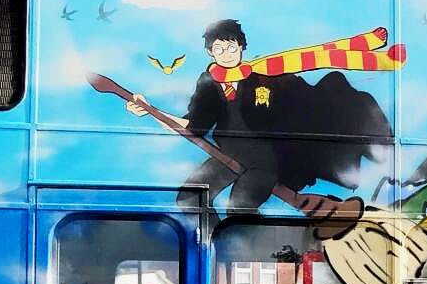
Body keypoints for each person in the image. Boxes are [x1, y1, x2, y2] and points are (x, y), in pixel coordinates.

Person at [127, 19, 397, 214]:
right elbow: (195, 125)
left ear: (242, 47)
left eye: (231, 48)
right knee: (188, 199)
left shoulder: (266, 76)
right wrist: (152, 111)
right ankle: (206, 246)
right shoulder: (208, 82)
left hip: (263, 165)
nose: (226, 55)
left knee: (239, 209)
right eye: (219, 49)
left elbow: (312, 59)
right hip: (226, 157)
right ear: (210, 52)